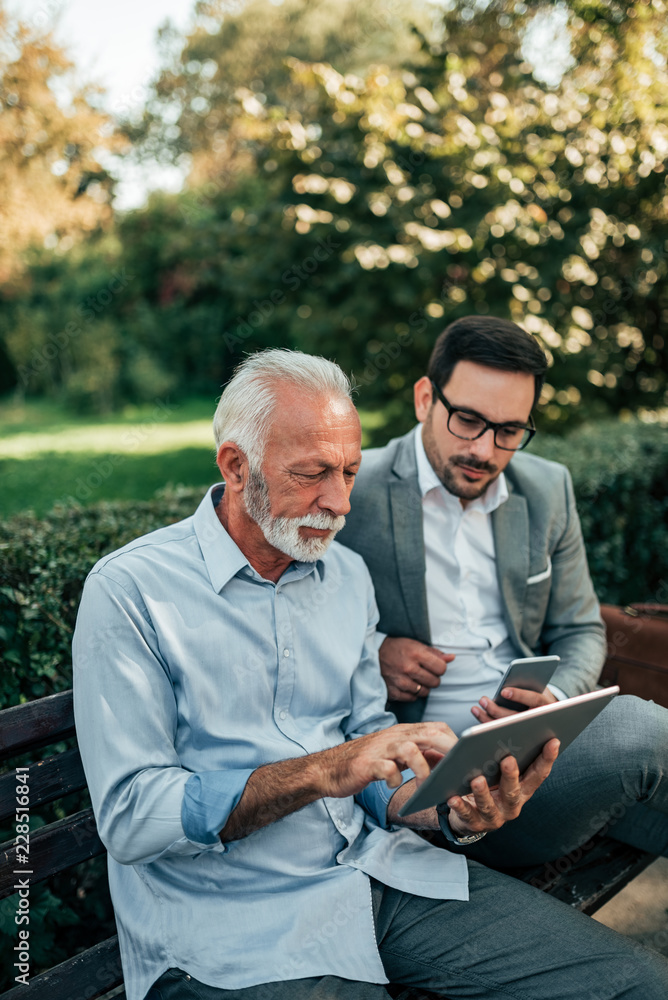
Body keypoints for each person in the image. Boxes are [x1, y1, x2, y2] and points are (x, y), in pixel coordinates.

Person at [73, 349, 668, 1000]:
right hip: (230, 921)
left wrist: (451, 811)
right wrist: (328, 768)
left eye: (351, 473)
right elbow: (132, 817)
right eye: (314, 474)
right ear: (236, 467)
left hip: (378, 876)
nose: (339, 503)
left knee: (634, 984)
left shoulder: (345, 577)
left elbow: (372, 758)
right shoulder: (131, 591)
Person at [338, 315, 668, 872]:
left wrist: (555, 705)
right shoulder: (351, 489)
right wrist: (373, 649)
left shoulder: (546, 487)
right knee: (640, 728)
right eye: (468, 420)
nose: (486, 451)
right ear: (425, 399)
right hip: (434, 788)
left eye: (510, 431)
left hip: (540, 760)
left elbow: (580, 627)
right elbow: (281, 622)